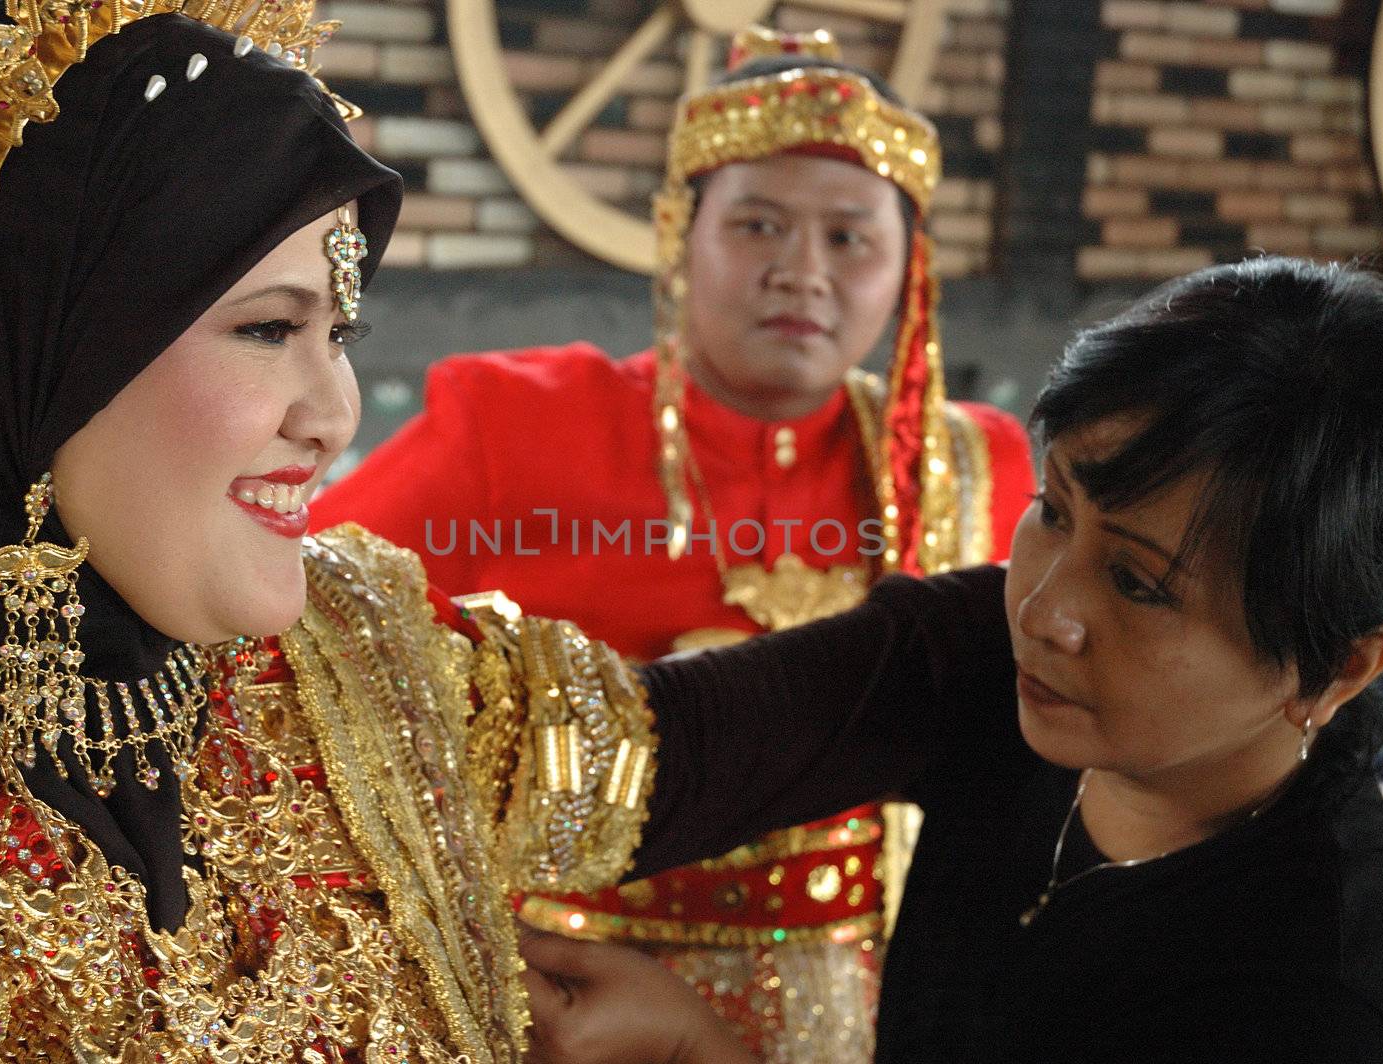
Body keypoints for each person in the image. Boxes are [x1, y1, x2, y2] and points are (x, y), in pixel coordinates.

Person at [0, 4, 654, 1062]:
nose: (333, 413)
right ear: (33, 351)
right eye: (267, 329)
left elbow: (764, 722)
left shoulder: (338, 654)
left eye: (340, 333)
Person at [519, 258, 1383, 1063]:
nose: (1043, 609)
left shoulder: (1326, 1004)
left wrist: (692, 1046)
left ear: (1337, 671)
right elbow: (662, 746)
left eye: (1138, 584)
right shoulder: (990, 661)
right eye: (1053, 510)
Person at [311, 28, 1033, 1061]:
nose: (802, 271)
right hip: (561, 995)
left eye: (849, 237)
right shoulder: (517, 426)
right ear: (677, 236)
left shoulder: (976, 471)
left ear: (911, 269)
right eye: (758, 224)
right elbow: (309, 621)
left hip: (868, 1006)